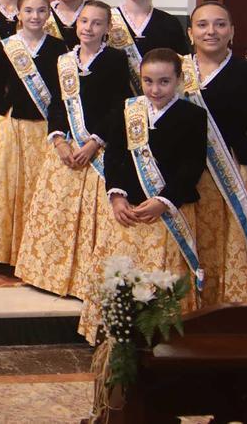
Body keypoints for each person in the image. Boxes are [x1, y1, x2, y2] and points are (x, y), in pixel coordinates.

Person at [78, 48, 207, 342]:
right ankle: (113, 338)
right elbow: (115, 157)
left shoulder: (193, 116)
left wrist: (164, 200)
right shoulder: (129, 110)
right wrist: (116, 196)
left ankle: (163, 340)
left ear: (179, 79)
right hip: (129, 211)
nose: (155, 89)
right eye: (148, 81)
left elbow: (192, 164)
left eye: (164, 81)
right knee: (120, 278)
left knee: (162, 280)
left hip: (168, 213)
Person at [15, 1, 130, 298]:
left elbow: (118, 107)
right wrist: (58, 140)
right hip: (66, 149)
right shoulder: (65, 60)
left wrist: (94, 141)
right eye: (84, 21)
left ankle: (84, 283)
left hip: (98, 151)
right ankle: (49, 275)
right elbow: (56, 104)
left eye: (97, 23)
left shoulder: (115, 60)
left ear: (107, 28)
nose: (89, 28)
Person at [0, 0, 67, 266]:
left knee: (38, 190)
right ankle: (2, 250)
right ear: (18, 14)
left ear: (49, 13)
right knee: (5, 188)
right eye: (28, 11)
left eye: (41, 11)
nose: (35, 16)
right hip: (10, 126)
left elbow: (62, 95)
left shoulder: (59, 48)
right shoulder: (9, 46)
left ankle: (32, 252)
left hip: (44, 130)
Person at [185, 2, 247, 306]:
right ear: (190, 33)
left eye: (220, 24)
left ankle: (233, 311)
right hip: (185, 176)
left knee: (232, 245)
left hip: (235, 174)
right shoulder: (175, 71)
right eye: (202, 25)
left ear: (232, 31)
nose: (211, 31)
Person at [110, 0, 190, 93]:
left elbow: (181, 68)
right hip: (113, 100)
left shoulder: (170, 23)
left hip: (159, 100)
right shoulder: (106, 20)